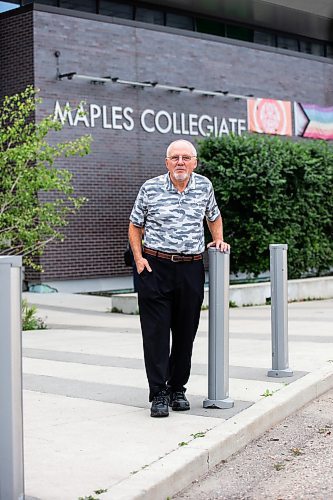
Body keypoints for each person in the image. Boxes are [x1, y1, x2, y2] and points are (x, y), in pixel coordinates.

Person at [129, 139, 230, 417]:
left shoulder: (204, 186)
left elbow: (214, 216)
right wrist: (139, 258)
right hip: (155, 267)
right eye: (175, 158)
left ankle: (177, 388)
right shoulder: (150, 188)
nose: (180, 162)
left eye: (186, 157)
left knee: (186, 332)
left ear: (194, 162)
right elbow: (135, 225)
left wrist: (218, 239)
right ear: (167, 162)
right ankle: (158, 392)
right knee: (156, 333)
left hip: (190, 268)